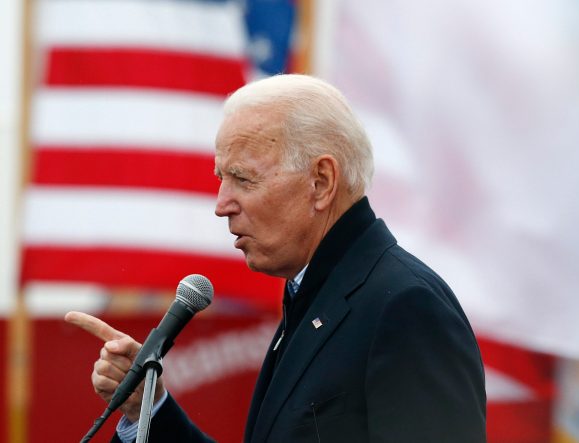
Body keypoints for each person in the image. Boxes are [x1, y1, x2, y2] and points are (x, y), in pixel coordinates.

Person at [66, 74, 487, 442]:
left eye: (242, 178)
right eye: (221, 178)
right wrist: (147, 407)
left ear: (321, 182)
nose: (221, 205)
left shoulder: (406, 308)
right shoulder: (317, 292)